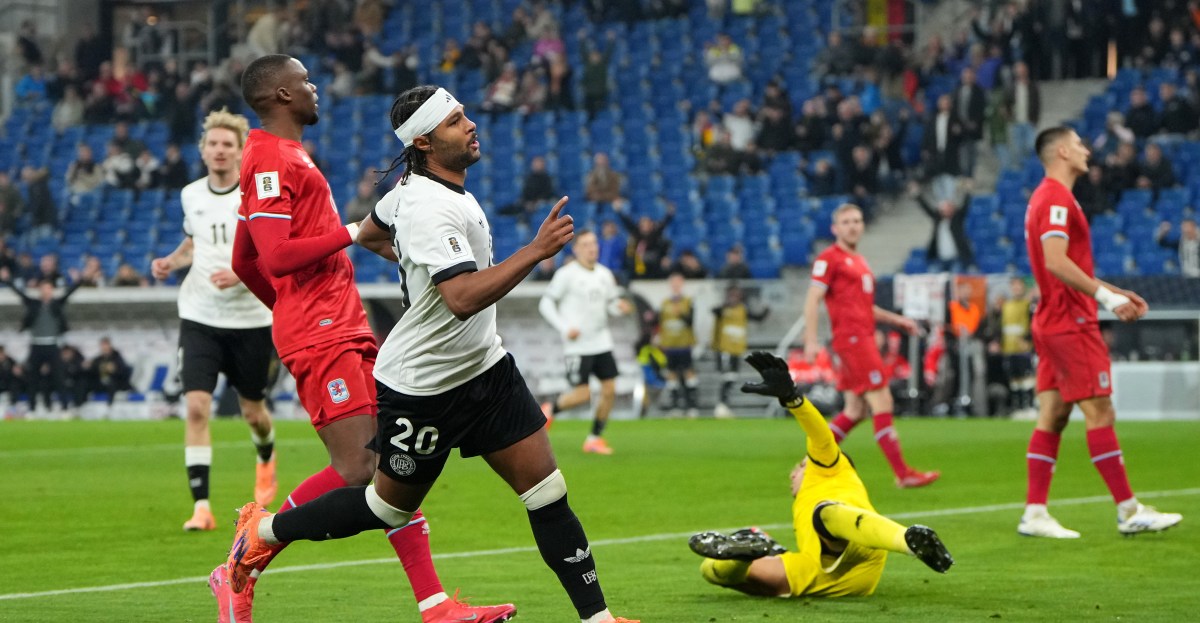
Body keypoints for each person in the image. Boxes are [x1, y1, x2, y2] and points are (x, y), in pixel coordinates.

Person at [223, 83, 637, 623]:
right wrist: (534, 252)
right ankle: (263, 531)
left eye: (465, 116)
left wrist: (410, 261)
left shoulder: (409, 196)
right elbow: (462, 299)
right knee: (384, 507)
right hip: (424, 388)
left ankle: (598, 619)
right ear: (422, 141)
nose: (470, 125)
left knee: (547, 491)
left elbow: (373, 230)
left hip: (487, 370)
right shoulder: (426, 208)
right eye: (454, 121)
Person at [220, 56, 515, 623]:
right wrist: (349, 239)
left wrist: (290, 309)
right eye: (305, 81)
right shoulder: (267, 157)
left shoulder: (286, 155)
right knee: (361, 467)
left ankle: (434, 605)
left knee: (393, 463)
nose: (315, 88)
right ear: (282, 94)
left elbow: (244, 258)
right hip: (322, 332)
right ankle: (253, 543)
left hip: (338, 322)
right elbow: (276, 258)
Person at [1018, 127, 1182, 538]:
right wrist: (1105, 300)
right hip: (1070, 323)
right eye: (1078, 144)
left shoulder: (1047, 197)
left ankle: (1035, 513)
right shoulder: (1054, 197)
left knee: (1054, 415)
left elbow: (1063, 263)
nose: (1086, 151)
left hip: (1052, 319)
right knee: (1100, 412)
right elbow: (1055, 261)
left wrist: (1113, 290)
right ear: (1061, 151)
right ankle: (1129, 510)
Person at [689, 352, 954, 599]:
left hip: (862, 548)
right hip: (827, 573)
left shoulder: (830, 468)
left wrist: (793, 399)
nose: (794, 471)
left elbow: (821, 436)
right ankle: (744, 553)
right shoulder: (802, 501)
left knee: (825, 513)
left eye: (800, 465)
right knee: (712, 569)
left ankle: (908, 541)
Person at [149, 109, 281, 534]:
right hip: (200, 315)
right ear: (203, 150)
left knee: (254, 413)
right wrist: (172, 260)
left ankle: (265, 458)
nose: (220, 151)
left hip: (251, 319)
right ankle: (201, 507)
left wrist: (241, 275)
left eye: (229, 144)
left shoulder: (255, 196)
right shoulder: (191, 195)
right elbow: (195, 240)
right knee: (196, 407)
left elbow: (272, 255)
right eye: (213, 143)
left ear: (242, 152)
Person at [803, 204, 939, 488]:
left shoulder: (860, 261)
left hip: (861, 336)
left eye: (857, 220)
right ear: (835, 228)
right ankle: (903, 474)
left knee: (855, 410)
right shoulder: (829, 258)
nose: (853, 226)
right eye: (846, 222)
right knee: (882, 400)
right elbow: (813, 298)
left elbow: (866, 307)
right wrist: (811, 340)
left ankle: (808, 463)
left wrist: (899, 320)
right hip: (852, 340)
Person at [539, 230, 632, 454]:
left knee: (609, 389)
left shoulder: (605, 275)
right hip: (578, 345)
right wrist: (564, 328)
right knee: (583, 394)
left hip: (602, 342)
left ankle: (594, 438)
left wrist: (619, 308)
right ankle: (550, 409)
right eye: (586, 244)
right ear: (576, 249)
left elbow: (609, 304)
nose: (592, 248)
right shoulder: (566, 274)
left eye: (594, 243)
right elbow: (546, 304)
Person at [2, 266, 97, 415]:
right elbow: (19, 294)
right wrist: (7, 280)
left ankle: (65, 408)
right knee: (32, 378)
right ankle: (32, 408)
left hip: (52, 345)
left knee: (59, 377)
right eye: (43, 288)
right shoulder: (33, 304)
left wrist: (81, 279)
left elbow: (70, 293)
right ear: (40, 290)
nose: (46, 291)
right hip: (36, 344)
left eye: (49, 288)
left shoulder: (56, 304)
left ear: (52, 290)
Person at [710, 282, 769, 418]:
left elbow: (757, 317)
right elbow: (713, 311)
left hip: (736, 348)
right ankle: (721, 405)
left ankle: (724, 405)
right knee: (726, 376)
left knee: (732, 377)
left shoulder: (743, 309)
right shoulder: (722, 310)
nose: (734, 297)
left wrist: (766, 310)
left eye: (737, 294)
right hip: (725, 349)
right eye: (732, 294)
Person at [658, 271, 699, 418]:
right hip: (670, 345)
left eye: (678, 282)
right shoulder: (664, 303)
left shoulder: (688, 301)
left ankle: (692, 406)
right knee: (672, 374)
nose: (675, 285)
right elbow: (661, 323)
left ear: (682, 284)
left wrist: (680, 313)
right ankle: (675, 406)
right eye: (673, 282)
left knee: (688, 373)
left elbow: (690, 321)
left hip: (684, 344)